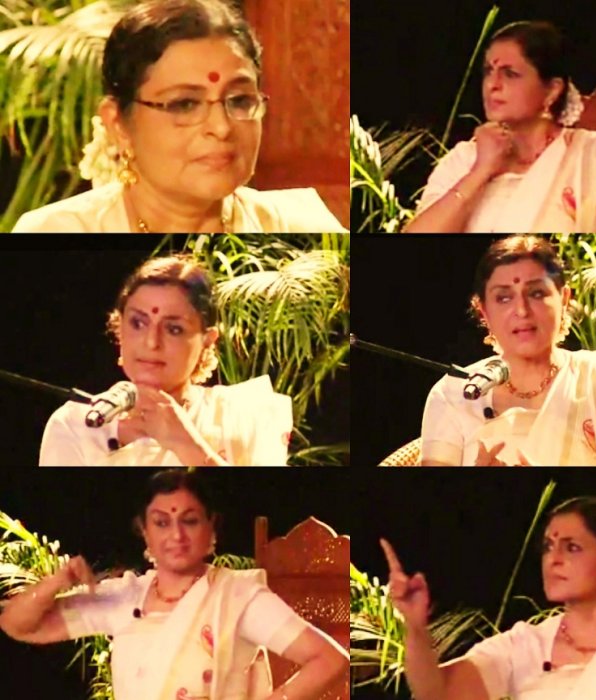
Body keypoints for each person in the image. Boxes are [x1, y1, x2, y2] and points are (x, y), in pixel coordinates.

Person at [0, 469, 348, 700]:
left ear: (211, 530)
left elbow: (330, 659)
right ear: (144, 532)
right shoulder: (124, 596)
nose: (177, 535)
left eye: (190, 521)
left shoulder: (237, 597)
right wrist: (56, 582)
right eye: (162, 523)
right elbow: (18, 625)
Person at [12, 0, 345, 234]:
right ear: (118, 124)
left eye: (240, 100)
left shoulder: (303, 226)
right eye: (185, 104)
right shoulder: (59, 231)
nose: (221, 127)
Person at [381, 496, 596, 700]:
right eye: (548, 546)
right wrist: (416, 628)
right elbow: (439, 693)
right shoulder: (526, 645)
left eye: (571, 547)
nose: (553, 559)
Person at [403, 21, 596, 234]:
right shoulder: (464, 159)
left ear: (552, 90)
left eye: (510, 73)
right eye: (488, 71)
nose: (493, 84)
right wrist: (481, 171)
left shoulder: (593, 158)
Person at [420, 235, 596, 466]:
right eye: (503, 298)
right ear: (483, 311)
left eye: (536, 293)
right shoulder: (453, 394)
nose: (522, 310)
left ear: (564, 299)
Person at [39, 254, 292, 466]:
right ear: (119, 329)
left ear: (207, 340)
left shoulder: (245, 414)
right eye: (138, 323)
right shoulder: (77, 425)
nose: (152, 342)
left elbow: (252, 506)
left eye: (174, 329)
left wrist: (186, 443)